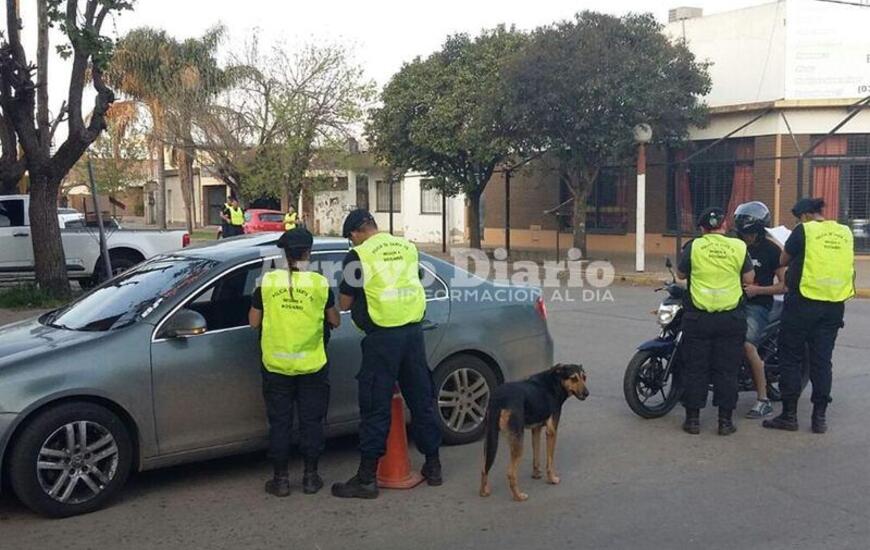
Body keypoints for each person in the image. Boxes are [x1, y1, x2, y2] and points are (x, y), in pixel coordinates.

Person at [331, 209, 442, 499]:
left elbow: (344, 301)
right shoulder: (406, 246)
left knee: (375, 405)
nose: (352, 243)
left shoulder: (359, 255)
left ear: (355, 233)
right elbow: (413, 280)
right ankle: (434, 466)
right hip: (413, 334)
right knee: (422, 400)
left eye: (350, 239)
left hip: (382, 338)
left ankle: (367, 478)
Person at [248, 227, 340, 496]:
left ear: (284, 253)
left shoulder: (266, 283)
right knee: (312, 421)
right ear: (308, 253)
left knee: (280, 422)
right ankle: (311, 478)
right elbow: (334, 320)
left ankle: (281, 480)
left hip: (276, 365)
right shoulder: (319, 284)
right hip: (312, 365)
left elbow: (253, 322)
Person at [764, 198, 855, 434]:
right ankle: (819, 418)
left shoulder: (804, 230)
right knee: (822, 361)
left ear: (804, 216)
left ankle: (789, 415)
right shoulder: (844, 231)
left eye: (797, 218)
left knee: (791, 357)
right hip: (834, 304)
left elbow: (783, 259)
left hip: (803, 303)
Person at [677, 207, 755, 436]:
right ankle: (725, 422)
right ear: (724, 225)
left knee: (695, 369)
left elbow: (681, 275)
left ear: (702, 229)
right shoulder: (738, 246)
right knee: (727, 370)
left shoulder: (694, 246)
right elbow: (749, 278)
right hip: (730, 318)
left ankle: (692, 421)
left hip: (698, 318)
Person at [733, 201, 786, 419]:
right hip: (731, 300)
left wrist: (758, 290)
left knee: (746, 344)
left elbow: (785, 285)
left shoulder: (772, 250)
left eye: (751, 233)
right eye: (744, 233)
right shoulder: (732, 243)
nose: (747, 238)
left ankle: (763, 400)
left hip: (758, 304)